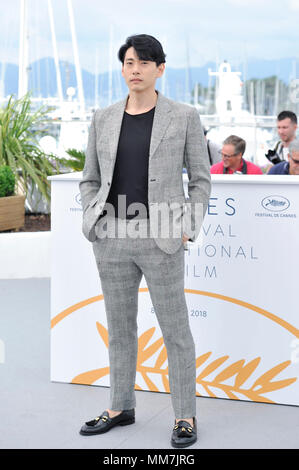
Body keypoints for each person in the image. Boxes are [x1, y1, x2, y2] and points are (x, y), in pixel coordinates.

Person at [78, 34, 211, 448]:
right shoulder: (103, 117)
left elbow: (201, 180)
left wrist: (188, 222)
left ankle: (184, 416)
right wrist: (91, 219)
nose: (135, 69)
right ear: (123, 69)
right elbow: (90, 178)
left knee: (176, 331)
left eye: (143, 62)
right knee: (119, 329)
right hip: (112, 235)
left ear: (160, 68)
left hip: (163, 236)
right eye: (129, 62)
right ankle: (120, 406)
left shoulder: (184, 116)